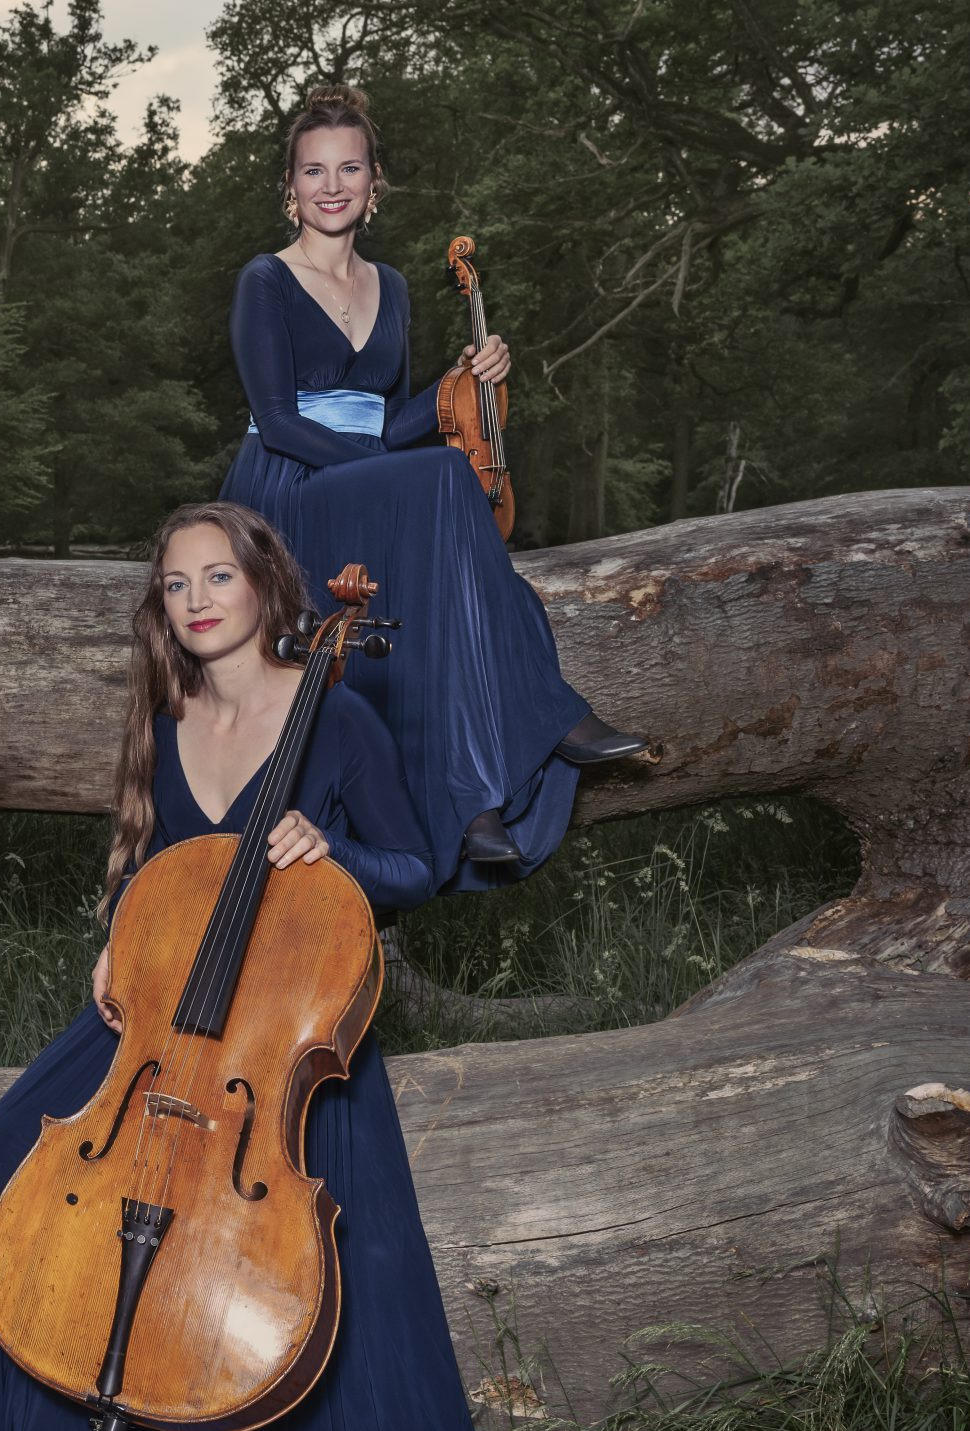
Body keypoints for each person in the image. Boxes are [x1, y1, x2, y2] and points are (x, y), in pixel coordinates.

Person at [0, 502, 749, 1431]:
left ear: (271, 589)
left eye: (220, 575)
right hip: (164, 1029)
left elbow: (418, 865)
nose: (199, 599)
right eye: (176, 584)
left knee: (262, 1272)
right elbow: (156, 861)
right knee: (1, 1158)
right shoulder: (170, 714)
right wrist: (113, 943)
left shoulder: (341, 706)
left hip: (283, 1036)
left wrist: (333, 853)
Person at [219, 83, 643, 891]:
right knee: (447, 479)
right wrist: (390, 473)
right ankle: (550, 715)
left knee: (444, 532)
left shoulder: (395, 289)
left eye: (350, 168)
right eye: (315, 171)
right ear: (290, 187)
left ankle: (471, 806)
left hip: (366, 480)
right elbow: (277, 421)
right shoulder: (264, 281)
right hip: (284, 490)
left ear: (376, 184)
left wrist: (460, 384)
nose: (332, 185)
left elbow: (391, 425)